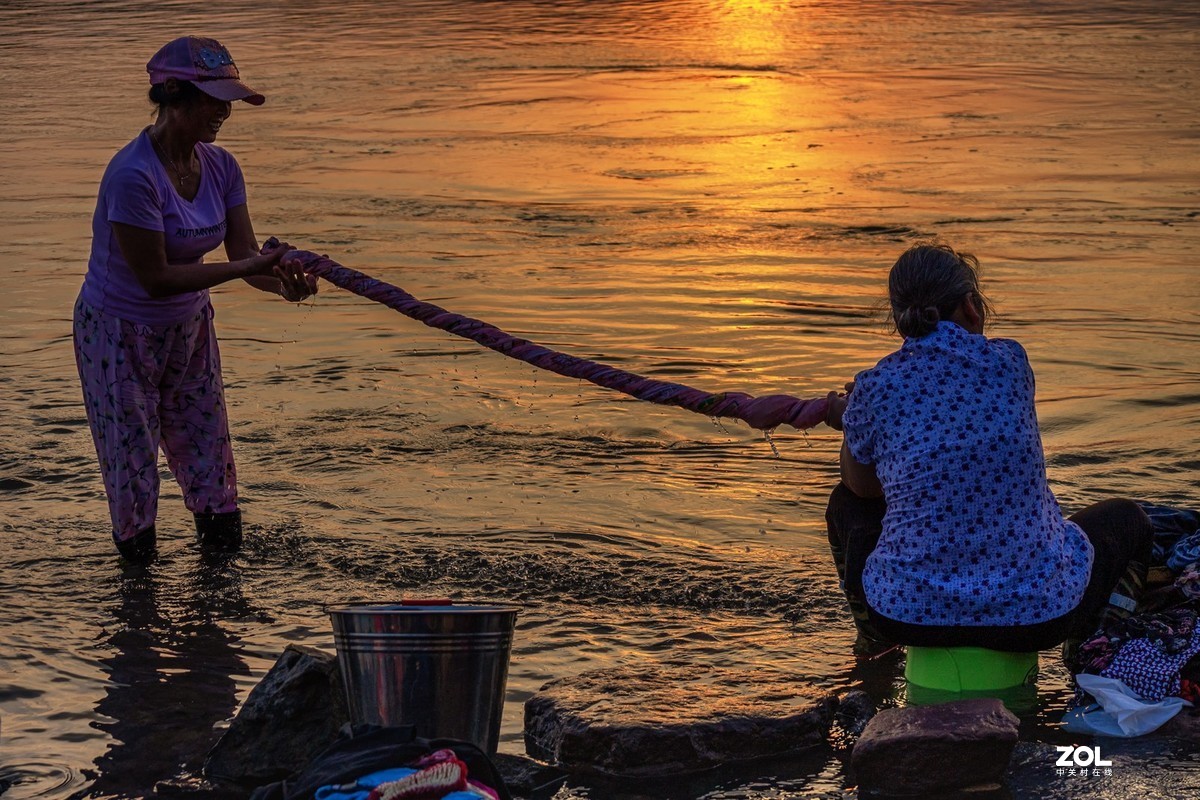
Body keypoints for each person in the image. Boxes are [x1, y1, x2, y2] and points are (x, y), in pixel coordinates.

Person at [823, 243, 1151, 663]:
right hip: (1038, 618)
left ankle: (875, 647)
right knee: (1131, 521)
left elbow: (862, 487)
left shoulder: (875, 385)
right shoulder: (1011, 362)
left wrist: (850, 423)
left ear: (900, 318)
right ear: (972, 307)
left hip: (907, 617)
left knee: (844, 503)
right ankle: (1091, 653)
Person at [74, 36, 318, 562]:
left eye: (228, 99)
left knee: (212, 463)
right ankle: (137, 608)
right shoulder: (133, 176)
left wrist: (284, 284)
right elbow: (155, 279)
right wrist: (247, 267)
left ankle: (220, 609)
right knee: (133, 469)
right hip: (119, 334)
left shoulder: (223, 167)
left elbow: (247, 255)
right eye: (214, 99)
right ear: (174, 97)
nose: (225, 112)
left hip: (190, 330)